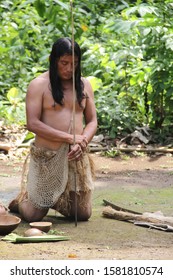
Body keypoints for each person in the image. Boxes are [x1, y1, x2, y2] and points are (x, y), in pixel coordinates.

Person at [8, 37, 97, 222]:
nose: (69, 69)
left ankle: (52, 199)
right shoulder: (38, 85)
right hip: (47, 157)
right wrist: (69, 137)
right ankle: (23, 202)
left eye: (74, 63)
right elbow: (32, 123)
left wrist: (82, 141)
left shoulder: (83, 84)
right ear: (53, 60)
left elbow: (92, 121)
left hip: (75, 155)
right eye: (64, 63)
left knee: (82, 214)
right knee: (33, 216)